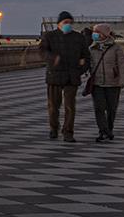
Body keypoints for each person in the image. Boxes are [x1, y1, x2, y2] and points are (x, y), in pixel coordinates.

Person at [39, 11, 90, 142]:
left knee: (70, 106)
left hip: (72, 76)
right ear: (59, 24)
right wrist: (52, 58)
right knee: (54, 105)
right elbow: (42, 51)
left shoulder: (78, 38)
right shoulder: (49, 36)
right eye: (65, 22)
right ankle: (53, 128)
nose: (68, 25)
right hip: (54, 75)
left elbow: (86, 56)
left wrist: (81, 67)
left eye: (70, 23)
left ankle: (68, 132)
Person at [88, 24, 124, 141]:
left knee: (111, 108)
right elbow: (88, 64)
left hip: (113, 83)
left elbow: (122, 65)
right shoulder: (92, 48)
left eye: (97, 32)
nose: (94, 34)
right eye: (94, 31)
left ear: (104, 34)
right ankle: (103, 131)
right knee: (99, 107)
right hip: (97, 83)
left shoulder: (116, 48)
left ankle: (109, 128)